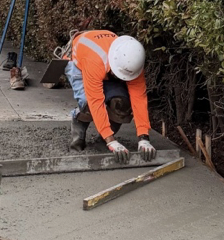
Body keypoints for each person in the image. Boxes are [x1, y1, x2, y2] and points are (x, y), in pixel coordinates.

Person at [65, 29, 157, 161]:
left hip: (106, 67)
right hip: (77, 63)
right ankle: (79, 131)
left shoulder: (132, 61)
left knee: (122, 104)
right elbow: (95, 101)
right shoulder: (94, 61)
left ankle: (101, 141)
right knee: (88, 105)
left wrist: (144, 137)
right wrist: (111, 140)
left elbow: (139, 98)